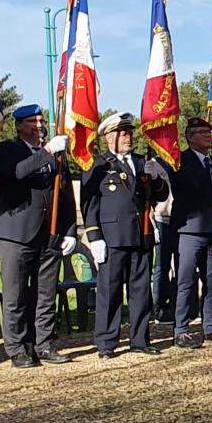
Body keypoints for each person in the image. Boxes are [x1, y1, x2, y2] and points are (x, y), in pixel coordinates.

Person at [0, 105, 78, 367]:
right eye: (32, 121)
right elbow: (16, 173)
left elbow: (65, 194)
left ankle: (44, 344)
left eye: (41, 121)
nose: (39, 126)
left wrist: (71, 230)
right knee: (16, 295)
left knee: (45, 293)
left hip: (48, 233)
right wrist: (48, 151)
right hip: (16, 234)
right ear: (18, 126)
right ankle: (17, 348)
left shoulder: (56, 155)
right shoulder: (6, 150)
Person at [83, 113, 171, 359]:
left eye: (129, 133)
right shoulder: (99, 164)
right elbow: (89, 203)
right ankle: (106, 342)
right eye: (123, 134)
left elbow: (160, 196)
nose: (128, 138)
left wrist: (156, 177)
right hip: (112, 236)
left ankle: (140, 339)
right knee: (110, 291)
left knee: (141, 290)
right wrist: (94, 235)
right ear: (109, 137)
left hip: (140, 234)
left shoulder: (143, 162)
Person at [165, 117, 212, 349]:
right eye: (202, 132)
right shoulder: (181, 161)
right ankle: (181, 330)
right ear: (189, 137)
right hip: (190, 230)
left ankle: (211, 327)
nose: (208, 135)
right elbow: (193, 186)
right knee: (186, 281)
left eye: (209, 131)